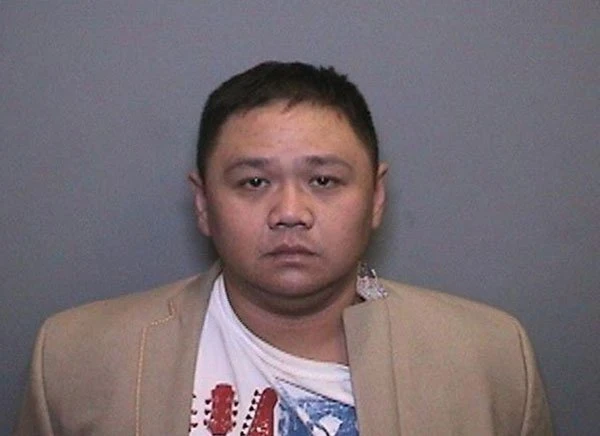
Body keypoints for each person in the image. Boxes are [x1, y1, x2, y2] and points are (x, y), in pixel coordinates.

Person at [15, 61, 553, 435]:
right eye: (254, 182)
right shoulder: (74, 357)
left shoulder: (492, 358)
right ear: (203, 204)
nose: (290, 212)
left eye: (324, 181)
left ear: (375, 198)